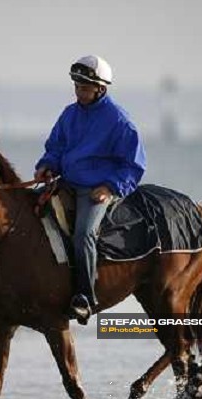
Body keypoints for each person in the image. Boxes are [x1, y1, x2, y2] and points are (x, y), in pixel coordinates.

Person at [34, 55, 146, 323]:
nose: (79, 92)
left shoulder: (119, 121)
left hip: (96, 190)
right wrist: (47, 165)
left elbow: (133, 165)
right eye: (76, 86)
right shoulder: (69, 114)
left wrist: (109, 187)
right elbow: (56, 147)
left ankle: (85, 297)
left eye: (84, 88)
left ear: (100, 88)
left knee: (84, 233)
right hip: (66, 183)